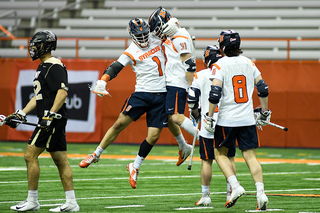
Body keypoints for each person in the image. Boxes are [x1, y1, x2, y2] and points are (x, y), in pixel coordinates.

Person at [79, 18, 167, 189]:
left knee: (154, 136)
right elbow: (115, 67)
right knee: (119, 123)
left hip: (162, 93)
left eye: (144, 34)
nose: (142, 38)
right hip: (142, 93)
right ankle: (96, 154)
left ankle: (135, 166)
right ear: (131, 35)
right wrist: (103, 80)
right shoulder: (131, 50)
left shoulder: (159, 39)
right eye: (138, 35)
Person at [6, 30, 79, 212]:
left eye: (36, 45)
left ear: (46, 46)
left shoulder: (53, 65)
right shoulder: (43, 66)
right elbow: (38, 97)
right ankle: (71, 202)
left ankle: (32, 200)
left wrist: (49, 115)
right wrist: (21, 113)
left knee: (30, 155)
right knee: (60, 159)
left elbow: (62, 93)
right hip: (52, 118)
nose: (33, 48)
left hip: (51, 119)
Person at [204, 30, 270, 210]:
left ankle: (235, 186)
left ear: (222, 46)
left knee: (219, 154)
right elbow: (263, 88)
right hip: (247, 118)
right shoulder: (249, 62)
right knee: (250, 156)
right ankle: (261, 193)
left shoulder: (220, 64)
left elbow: (215, 93)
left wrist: (209, 116)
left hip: (227, 119)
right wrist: (264, 111)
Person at [148, 6, 198, 166]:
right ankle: (184, 146)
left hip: (178, 83)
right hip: (171, 83)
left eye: (157, 28)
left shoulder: (180, 36)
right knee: (168, 117)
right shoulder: (174, 34)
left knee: (175, 117)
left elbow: (189, 65)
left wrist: (192, 88)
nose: (156, 33)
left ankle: (204, 136)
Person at [187, 45, 236, 206]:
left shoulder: (200, 75)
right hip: (227, 120)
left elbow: (192, 99)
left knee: (207, 161)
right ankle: (231, 192)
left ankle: (205, 196)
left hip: (208, 122)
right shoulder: (227, 73)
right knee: (228, 158)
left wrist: (195, 114)